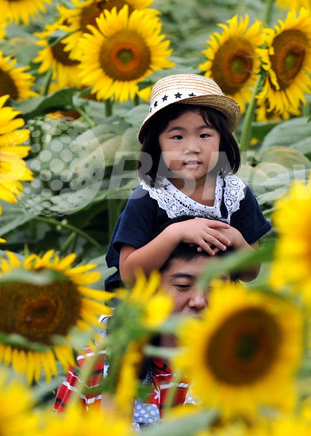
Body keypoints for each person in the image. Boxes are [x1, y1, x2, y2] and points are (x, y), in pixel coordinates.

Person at [104, 74, 271, 292]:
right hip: (153, 310)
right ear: (157, 146)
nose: (192, 147)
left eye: (204, 135)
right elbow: (129, 275)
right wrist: (175, 234)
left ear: (222, 140)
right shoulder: (150, 198)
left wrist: (237, 240)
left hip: (215, 304)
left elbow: (250, 273)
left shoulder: (235, 195)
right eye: (177, 137)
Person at [53, 241, 219, 426]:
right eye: (183, 285)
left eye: (214, 286)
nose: (199, 301)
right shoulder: (95, 366)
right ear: (153, 289)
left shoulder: (248, 373)